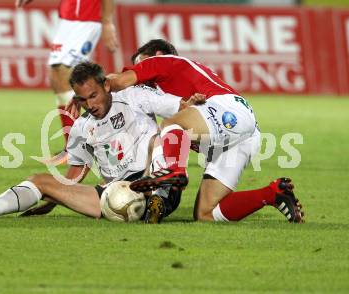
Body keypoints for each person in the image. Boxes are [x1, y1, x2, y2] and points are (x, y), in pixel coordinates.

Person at [0, 62, 199, 222]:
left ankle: (161, 199)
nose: (90, 104)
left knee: (163, 134)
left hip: (149, 181)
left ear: (107, 86)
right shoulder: (82, 127)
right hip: (111, 197)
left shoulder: (133, 96)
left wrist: (193, 107)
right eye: (83, 99)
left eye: (94, 95)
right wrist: (52, 196)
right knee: (40, 179)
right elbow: (73, 176)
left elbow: (179, 107)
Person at [108, 39, 304, 224]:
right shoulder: (172, 91)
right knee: (206, 213)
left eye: (138, 65)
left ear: (157, 54)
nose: (138, 77)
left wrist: (84, 90)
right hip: (241, 137)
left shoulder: (161, 61)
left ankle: (175, 172)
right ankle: (274, 193)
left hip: (229, 110)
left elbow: (117, 82)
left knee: (170, 125)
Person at [16, 0, 119, 163]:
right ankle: (75, 146)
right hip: (68, 18)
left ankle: (100, 140)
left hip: (86, 18)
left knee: (65, 71)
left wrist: (107, 21)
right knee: (57, 77)